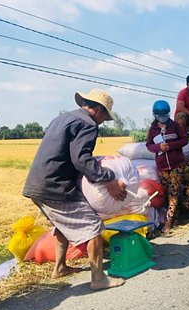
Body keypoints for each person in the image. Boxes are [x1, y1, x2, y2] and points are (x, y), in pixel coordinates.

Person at [23, 89, 126, 290]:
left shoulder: (63, 118)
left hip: (36, 184)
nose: (103, 121)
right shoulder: (88, 124)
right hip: (56, 186)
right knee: (93, 227)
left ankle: (60, 267)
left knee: (62, 224)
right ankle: (98, 278)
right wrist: (109, 179)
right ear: (97, 109)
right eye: (104, 116)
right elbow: (82, 160)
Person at [146, 100, 188, 235]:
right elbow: (149, 145)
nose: (163, 117)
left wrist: (171, 146)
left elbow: (184, 140)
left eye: (165, 115)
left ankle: (168, 223)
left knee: (174, 192)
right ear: (155, 115)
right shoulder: (152, 130)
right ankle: (176, 217)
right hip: (162, 166)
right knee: (167, 193)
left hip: (177, 165)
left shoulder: (175, 126)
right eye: (160, 115)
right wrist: (159, 147)